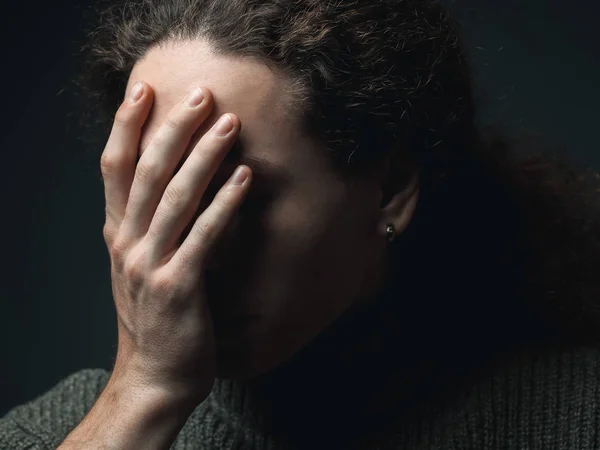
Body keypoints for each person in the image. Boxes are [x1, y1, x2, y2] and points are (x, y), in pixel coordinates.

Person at [2, 0, 599, 448]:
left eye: (242, 195)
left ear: (388, 190)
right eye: (159, 192)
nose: (193, 257)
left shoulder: (576, 417)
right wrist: (144, 392)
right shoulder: (56, 432)